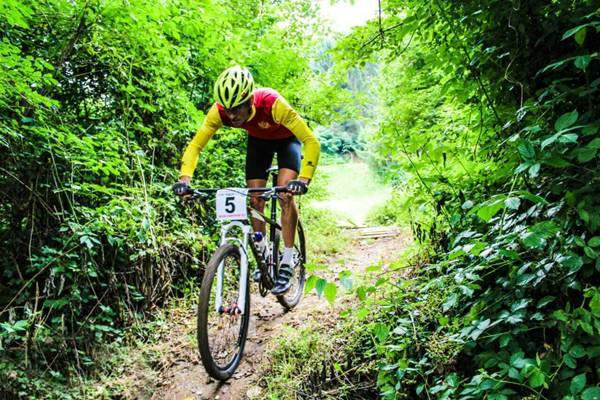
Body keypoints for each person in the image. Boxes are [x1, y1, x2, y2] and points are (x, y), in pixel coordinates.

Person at [173, 65, 320, 294]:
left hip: (287, 142)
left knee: (285, 194)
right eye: (227, 109)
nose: (232, 116)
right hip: (258, 144)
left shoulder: (273, 104)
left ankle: (288, 258)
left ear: (250, 100)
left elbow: (311, 141)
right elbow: (196, 146)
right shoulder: (219, 112)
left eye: (237, 109)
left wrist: (303, 180)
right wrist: (184, 179)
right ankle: (263, 253)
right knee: (255, 199)